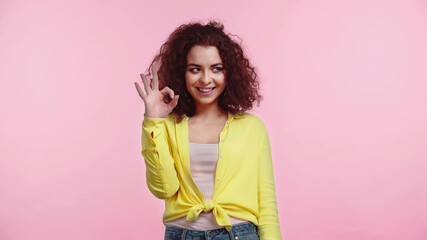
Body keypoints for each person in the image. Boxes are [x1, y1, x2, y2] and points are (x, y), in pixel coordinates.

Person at [135, 20, 282, 240]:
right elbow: (163, 190)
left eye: (216, 69)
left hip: (240, 234)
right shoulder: (164, 126)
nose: (206, 79)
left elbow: (267, 207)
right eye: (195, 69)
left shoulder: (252, 128)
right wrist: (153, 120)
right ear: (181, 73)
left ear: (229, 73)